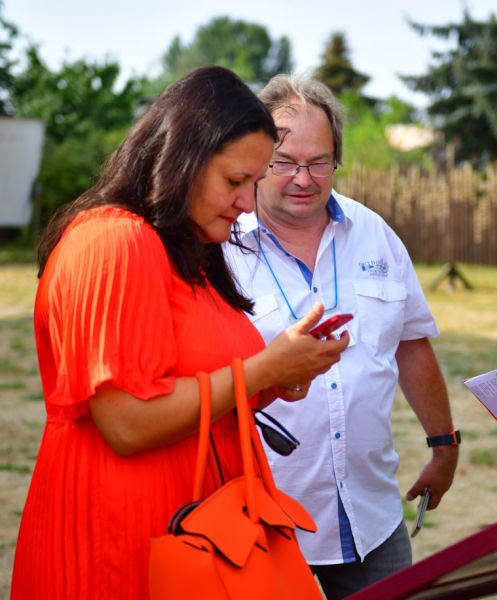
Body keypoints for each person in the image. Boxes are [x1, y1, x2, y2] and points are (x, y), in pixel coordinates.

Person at [11, 66, 348, 600]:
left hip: (197, 531)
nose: (245, 203)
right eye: (235, 181)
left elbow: (196, 378)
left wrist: (282, 373)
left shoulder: (185, 249)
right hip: (124, 539)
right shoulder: (115, 243)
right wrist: (261, 369)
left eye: (253, 184)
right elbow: (125, 421)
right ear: (181, 159)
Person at [223, 74, 459, 599]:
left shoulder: (374, 232)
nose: (303, 178)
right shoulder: (219, 246)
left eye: (320, 162)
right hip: (254, 517)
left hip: (368, 513)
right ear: (257, 158)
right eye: (284, 162)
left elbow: (411, 343)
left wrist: (444, 445)